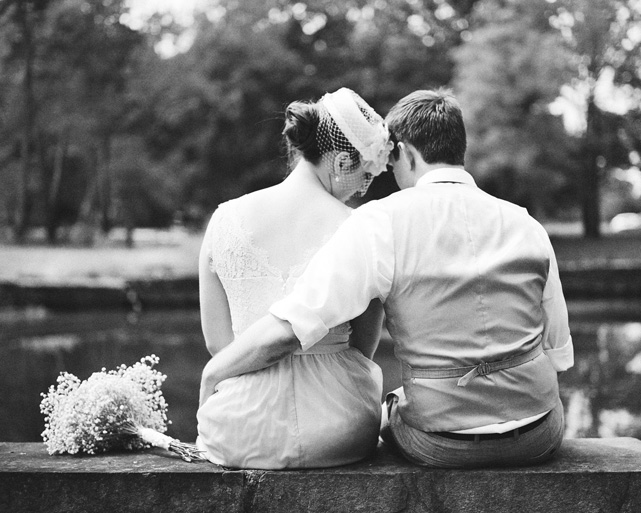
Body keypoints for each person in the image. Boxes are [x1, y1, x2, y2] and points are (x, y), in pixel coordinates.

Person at [199, 88, 574, 469]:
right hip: (537, 436)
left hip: (440, 443)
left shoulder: (381, 223)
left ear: (407, 153)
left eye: (392, 161)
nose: (386, 177)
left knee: (395, 406)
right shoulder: (527, 224)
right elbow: (559, 352)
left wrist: (216, 372)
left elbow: (291, 325)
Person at [196, 87, 394, 469]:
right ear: (339, 161)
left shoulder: (225, 220)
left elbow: (217, 343)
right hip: (340, 427)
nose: (364, 188)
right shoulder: (360, 229)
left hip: (241, 427)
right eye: (365, 174)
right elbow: (362, 347)